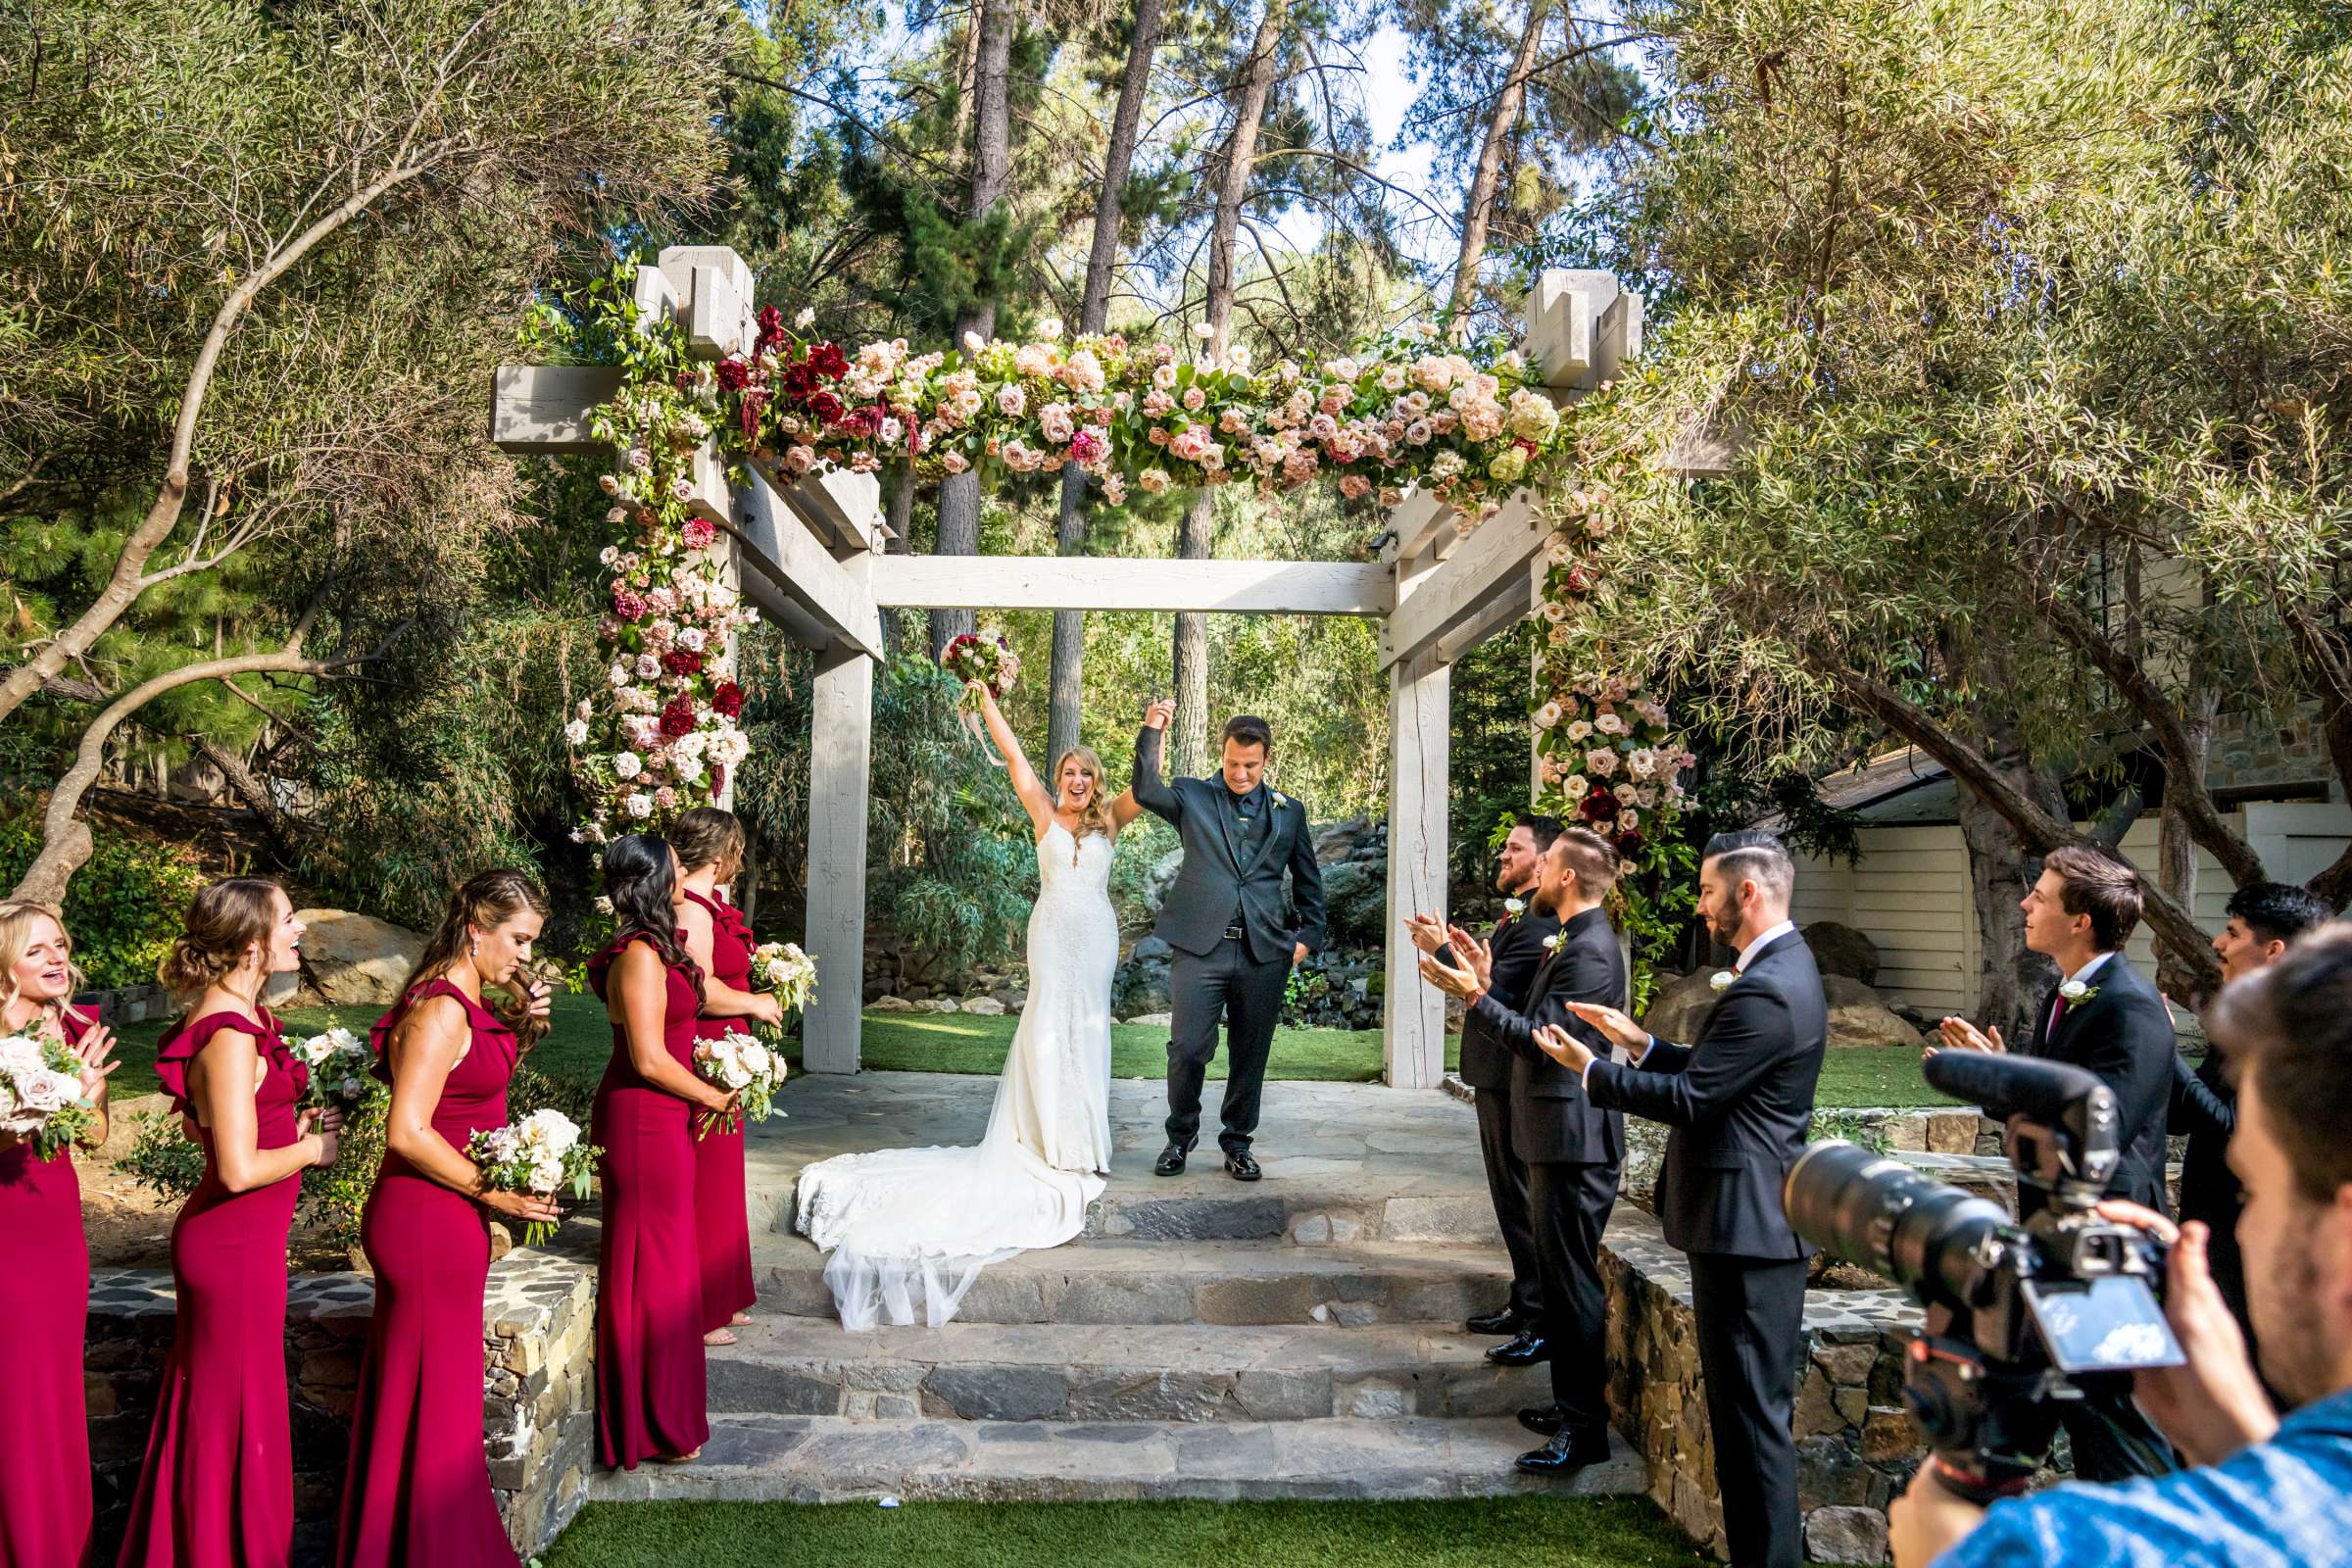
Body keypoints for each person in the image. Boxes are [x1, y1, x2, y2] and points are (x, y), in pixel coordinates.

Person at [1889, 922, 2352, 1568]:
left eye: (2249, 1192)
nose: (2240, 1229)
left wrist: (1947, 1512)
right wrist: (2236, 1440)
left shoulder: (2072, 1548)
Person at [793, 683, 1146, 1329]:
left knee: (1086, 1034)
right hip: (1051, 935)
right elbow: (1013, 757)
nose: (1074, 780)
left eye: (1084, 774)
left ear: (1096, 783)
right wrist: (985, 701)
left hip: (1093, 937)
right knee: (1045, 1029)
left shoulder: (1111, 822)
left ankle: (1082, 1143)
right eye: (1068, 771)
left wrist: (1152, 725)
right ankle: (1041, 1139)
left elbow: (1148, 784)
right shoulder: (1042, 812)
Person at [1538, 830, 1827, 1568]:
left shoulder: (1768, 986)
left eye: (1706, 891)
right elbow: (1716, 1071)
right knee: (1740, 1425)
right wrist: (1638, 1043)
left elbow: (1696, 1100)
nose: (1701, 907)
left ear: (1748, 893)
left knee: (1753, 1429)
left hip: (1750, 1230)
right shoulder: (1779, 969)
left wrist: (1593, 1073)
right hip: (1746, 1226)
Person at [118, 878, 344, 1568]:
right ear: (252, 945)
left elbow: (203, 1129)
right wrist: (312, 1148)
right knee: (229, 1414)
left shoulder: (231, 1021)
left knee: (226, 1408)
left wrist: (283, 1123)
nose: (300, 929)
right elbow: (237, 1170)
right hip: (233, 1244)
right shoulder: (229, 1035)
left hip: (240, 1242)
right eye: (288, 920)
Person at [1935, 845, 2177, 1481]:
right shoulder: (2062, 997)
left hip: (2107, 1243)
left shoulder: (2131, 1009)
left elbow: (2096, 1137)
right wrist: (2002, 1076)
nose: (2024, 903)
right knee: (2084, 1413)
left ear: (2080, 921)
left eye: (2039, 896)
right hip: (2062, 1238)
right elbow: (2050, 1108)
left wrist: (2003, 1082)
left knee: (2111, 1418)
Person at [337, 870, 557, 1568]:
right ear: (475, 929)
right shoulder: (439, 1010)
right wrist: (494, 1192)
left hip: (445, 1213)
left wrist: (524, 1020)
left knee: (433, 1402)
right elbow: (407, 1130)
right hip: (425, 1217)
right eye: (518, 939)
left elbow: (472, 1098)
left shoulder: (469, 1001)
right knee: (434, 1406)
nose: (525, 955)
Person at [1418, 826, 1627, 1476]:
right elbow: (1536, 1021)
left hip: (1572, 1139)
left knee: (1572, 1287)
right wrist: (1483, 980)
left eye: (1547, 867)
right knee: (1562, 1286)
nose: (1534, 877)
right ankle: (1572, 1409)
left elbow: (1545, 1045)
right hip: (1553, 1135)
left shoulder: (1589, 950)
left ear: (1564, 877)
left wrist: (1473, 996)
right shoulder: (1573, 939)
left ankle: (1584, 1429)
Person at [588, 835, 737, 1470]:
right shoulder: (640, 957)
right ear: (652, 880)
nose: (685, 870)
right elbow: (647, 1059)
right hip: (643, 1122)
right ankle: (649, 1423)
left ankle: (666, 1417)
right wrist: (714, 1095)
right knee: (654, 1273)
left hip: (666, 1116)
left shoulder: (658, 948)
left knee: (668, 1270)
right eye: (674, 864)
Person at [1133, 703, 1328, 1181]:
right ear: (1221, 755)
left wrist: (1307, 939)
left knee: (1250, 1052)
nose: (1240, 773)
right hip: (1201, 947)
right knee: (1187, 1049)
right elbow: (1145, 789)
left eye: (1250, 765)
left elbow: (1308, 881)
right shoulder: (1192, 797)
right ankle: (1179, 1138)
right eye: (1232, 763)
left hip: (1265, 951)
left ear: (1266, 761)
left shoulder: (1289, 813)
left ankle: (1238, 1143)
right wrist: (1152, 729)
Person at [1404, 814, 1563, 1360]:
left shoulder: (1542, 929)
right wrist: (1443, 943)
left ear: (1544, 862)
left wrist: (1439, 948)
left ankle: (1539, 1313)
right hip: (1495, 1075)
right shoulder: (1518, 917)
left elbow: (1503, 989)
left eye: (1515, 850)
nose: (1503, 856)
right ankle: (1524, 1301)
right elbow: (1489, 974)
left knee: (1518, 1197)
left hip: (1508, 1073)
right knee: (1507, 1196)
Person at [0, 901, 117, 1568]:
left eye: (62, 946)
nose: (57, 959)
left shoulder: (78, 1029)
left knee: (55, 1401)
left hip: (57, 1235)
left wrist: (86, 1088)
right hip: (6, 1236)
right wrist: (44, 1098)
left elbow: (95, 1138)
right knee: (14, 1399)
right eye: (39, 949)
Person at [2171, 881, 2332, 1358]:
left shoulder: (2294, 1035)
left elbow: (2230, 1126)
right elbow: (2183, 1118)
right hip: (2210, 1225)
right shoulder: (2239, 1021)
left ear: (2274, 950)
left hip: (2253, 1234)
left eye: (2233, 933)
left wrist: (2168, 1054)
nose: (2218, 944)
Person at [671, 808, 784, 1347]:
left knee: (723, 1174)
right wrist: (756, 1003)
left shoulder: (708, 905)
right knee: (708, 1176)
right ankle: (702, 1306)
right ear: (721, 856)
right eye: (737, 852)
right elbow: (700, 989)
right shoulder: (690, 912)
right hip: (708, 1052)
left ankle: (724, 1290)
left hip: (728, 1050)